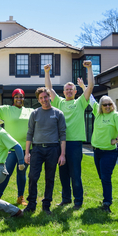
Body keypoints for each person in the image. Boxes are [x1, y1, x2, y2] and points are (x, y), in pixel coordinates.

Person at [44, 60, 94, 210]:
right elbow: (49, 88)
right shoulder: (59, 102)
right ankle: (66, 199)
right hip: (60, 143)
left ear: (75, 91)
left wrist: (89, 68)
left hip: (74, 144)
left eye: (71, 89)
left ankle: (78, 201)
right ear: (64, 92)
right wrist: (47, 72)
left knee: (75, 173)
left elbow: (90, 86)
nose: (69, 91)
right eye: (66, 89)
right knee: (63, 173)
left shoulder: (80, 103)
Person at [0, 88, 33, 205]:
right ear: (13, 98)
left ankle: (20, 197)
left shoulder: (30, 110)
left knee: (22, 174)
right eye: (16, 96)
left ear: (24, 98)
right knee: (5, 174)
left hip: (25, 149)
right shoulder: (6, 109)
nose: (19, 99)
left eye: (21, 96)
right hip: (11, 149)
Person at [24, 87, 66, 215]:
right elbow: (29, 133)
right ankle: (31, 205)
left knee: (50, 178)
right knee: (32, 177)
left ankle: (46, 205)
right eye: (41, 98)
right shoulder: (35, 113)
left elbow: (63, 135)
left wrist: (62, 154)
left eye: (46, 97)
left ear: (49, 97)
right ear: (38, 99)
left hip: (53, 149)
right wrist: (27, 153)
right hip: (37, 149)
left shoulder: (58, 113)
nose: (44, 100)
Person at [90, 95, 118, 213]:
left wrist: (117, 140)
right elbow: (91, 100)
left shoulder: (116, 116)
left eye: (110, 104)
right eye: (105, 105)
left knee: (106, 177)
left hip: (109, 152)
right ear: (101, 106)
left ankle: (107, 203)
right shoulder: (98, 113)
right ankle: (106, 199)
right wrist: (83, 86)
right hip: (97, 151)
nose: (108, 106)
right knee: (102, 177)